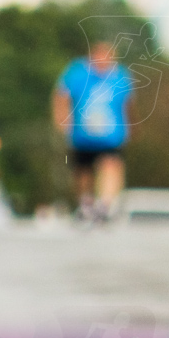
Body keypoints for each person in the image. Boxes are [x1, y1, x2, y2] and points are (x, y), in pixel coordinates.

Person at [52, 39, 135, 224]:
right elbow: (61, 95)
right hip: (83, 134)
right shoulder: (78, 72)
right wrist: (62, 118)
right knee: (83, 172)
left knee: (111, 165)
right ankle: (86, 204)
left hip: (111, 135)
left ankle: (105, 205)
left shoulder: (120, 75)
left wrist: (130, 126)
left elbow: (128, 103)